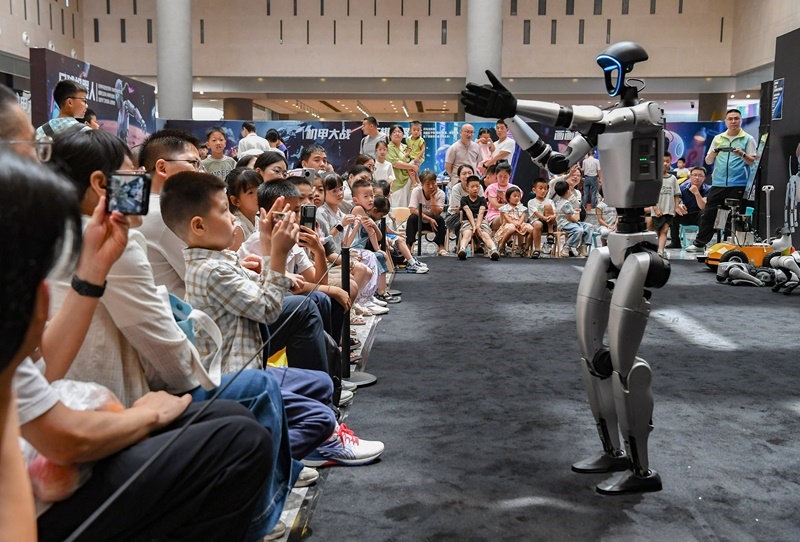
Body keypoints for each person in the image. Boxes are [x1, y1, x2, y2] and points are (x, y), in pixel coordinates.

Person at [161, 172, 384, 467]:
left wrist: (268, 244)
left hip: (250, 365)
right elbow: (268, 310)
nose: (233, 219)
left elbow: (271, 289)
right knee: (318, 418)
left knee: (321, 383)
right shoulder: (211, 271)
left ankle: (318, 438)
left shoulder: (221, 261)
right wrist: (276, 253)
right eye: (225, 211)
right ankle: (273, 457)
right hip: (238, 377)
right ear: (199, 226)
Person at [137, 129, 204, 299]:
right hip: (179, 312)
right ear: (162, 167)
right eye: (194, 163)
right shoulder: (165, 215)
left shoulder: (142, 206)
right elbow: (206, 280)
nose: (201, 172)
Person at [687, 109, 757, 252]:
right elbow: (708, 160)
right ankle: (700, 244)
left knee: (736, 216)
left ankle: (734, 245)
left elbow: (752, 161)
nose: (733, 121)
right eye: (730, 119)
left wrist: (742, 154)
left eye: (736, 118)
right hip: (718, 183)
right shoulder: (718, 138)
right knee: (708, 214)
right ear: (725, 121)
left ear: (741, 120)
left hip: (738, 183)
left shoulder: (748, 138)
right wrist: (713, 153)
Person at [648, 152, 684, 258]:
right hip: (657, 211)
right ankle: (658, 250)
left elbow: (676, 194)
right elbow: (651, 196)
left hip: (669, 210)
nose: (665, 164)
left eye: (667, 161)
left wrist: (676, 207)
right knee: (657, 231)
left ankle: (660, 251)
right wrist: (656, 209)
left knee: (665, 230)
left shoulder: (673, 178)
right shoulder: (654, 179)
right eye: (662, 161)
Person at [457, 175, 499, 261]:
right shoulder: (464, 199)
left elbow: (481, 213)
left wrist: (478, 226)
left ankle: (494, 250)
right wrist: (473, 226)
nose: (475, 188)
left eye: (477, 186)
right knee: (467, 234)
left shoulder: (482, 199)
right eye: (472, 187)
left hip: (481, 221)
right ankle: (462, 249)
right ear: (467, 188)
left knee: (485, 235)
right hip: (468, 221)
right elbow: (468, 212)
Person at [406, 170, 448, 256]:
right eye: (428, 184)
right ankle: (408, 248)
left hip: (433, 223)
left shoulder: (441, 194)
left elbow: (436, 213)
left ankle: (441, 247)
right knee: (412, 218)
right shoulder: (416, 191)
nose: (431, 187)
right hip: (420, 221)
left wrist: (432, 197)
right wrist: (429, 219)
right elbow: (412, 209)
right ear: (422, 185)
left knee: (439, 219)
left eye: (433, 183)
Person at [226, 167, 263, 251]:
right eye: (250, 192)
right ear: (235, 200)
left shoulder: (257, 219)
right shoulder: (237, 228)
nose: (259, 194)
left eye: (260, 188)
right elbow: (234, 259)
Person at [445, 164, 481, 250]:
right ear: (459, 177)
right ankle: (460, 246)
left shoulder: (479, 187)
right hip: (455, 215)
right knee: (462, 222)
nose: (467, 176)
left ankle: (478, 244)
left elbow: (481, 205)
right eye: (464, 174)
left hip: (474, 215)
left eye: (470, 173)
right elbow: (458, 209)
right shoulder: (456, 188)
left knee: (481, 222)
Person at [554, 179, 592, 257]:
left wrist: (574, 211)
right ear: (568, 191)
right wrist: (577, 221)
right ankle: (567, 247)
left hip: (570, 223)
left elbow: (566, 212)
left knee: (589, 226)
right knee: (579, 230)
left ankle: (583, 247)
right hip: (565, 224)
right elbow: (570, 218)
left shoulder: (559, 202)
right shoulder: (566, 203)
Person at [495, 185, 534, 255]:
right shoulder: (505, 208)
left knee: (532, 229)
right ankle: (502, 245)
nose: (517, 198)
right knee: (511, 228)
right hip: (509, 224)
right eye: (515, 196)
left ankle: (525, 248)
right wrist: (514, 223)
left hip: (520, 224)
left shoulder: (521, 208)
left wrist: (519, 223)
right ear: (508, 197)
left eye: (518, 196)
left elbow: (522, 216)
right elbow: (507, 218)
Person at [386, 124, 418, 207]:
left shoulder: (406, 147)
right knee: (398, 206)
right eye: (394, 132)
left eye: (399, 132)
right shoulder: (389, 148)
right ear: (390, 135)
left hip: (409, 180)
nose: (397, 134)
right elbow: (395, 163)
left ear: (403, 134)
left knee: (409, 205)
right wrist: (412, 167)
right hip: (397, 182)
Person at [484, 161, 516, 234]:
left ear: (510, 176)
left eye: (505, 177)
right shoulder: (491, 187)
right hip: (494, 216)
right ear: (496, 175)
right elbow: (496, 206)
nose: (502, 179)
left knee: (522, 217)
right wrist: (510, 204)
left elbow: (518, 205)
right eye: (500, 176)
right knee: (506, 218)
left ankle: (520, 243)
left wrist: (504, 197)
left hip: (512, 216)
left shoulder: (514, 188)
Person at [527, 178, 556, 258]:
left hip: (549, 222)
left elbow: (554, 212)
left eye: (545, 189)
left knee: (548, 206)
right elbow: (536, 213)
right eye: (540, 188)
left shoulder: (549, 201)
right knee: (537, 224)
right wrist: (543, 217)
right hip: (537, 222)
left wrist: (553, 216)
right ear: (534, 190)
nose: (543, 191)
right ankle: (537, 249)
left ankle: (550, 232)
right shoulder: (531, 202)